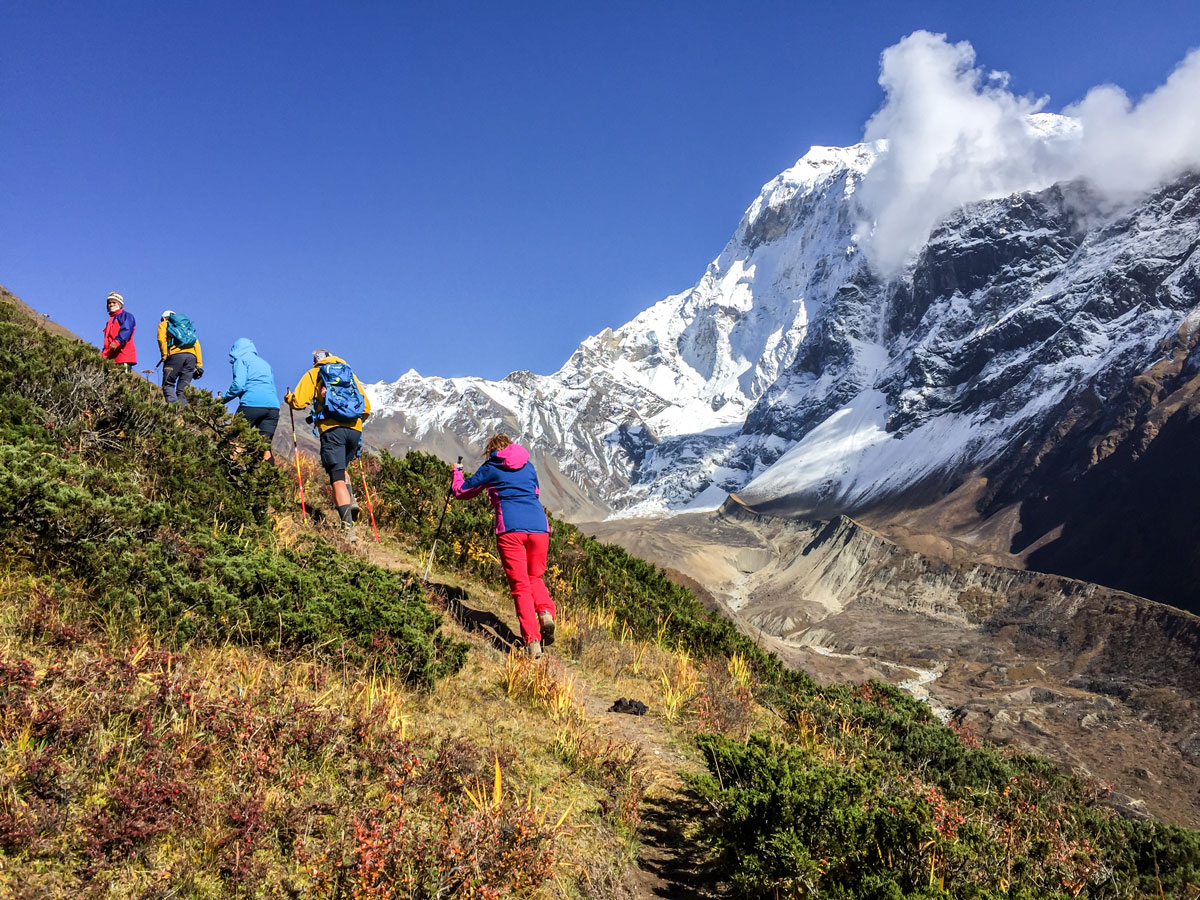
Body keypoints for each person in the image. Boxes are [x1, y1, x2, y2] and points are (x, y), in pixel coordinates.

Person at [451, 434, 555, 657]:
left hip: (510, 528)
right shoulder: (528, 466)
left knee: (520, 587)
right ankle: (546, 613)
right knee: (534, 576)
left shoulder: (492, 466)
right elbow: (536, 492)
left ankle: (532, 642)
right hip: (539, 526)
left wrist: (456, 473)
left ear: (492, 450)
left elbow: (463, 492)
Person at [285, 349, 371, 541]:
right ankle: (352, 501)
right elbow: (366, 407)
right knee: (343, 468)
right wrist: (354, 423)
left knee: (336, 476)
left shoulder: (315, 373)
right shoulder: (348, 373)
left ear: (316, 360)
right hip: (354, 429)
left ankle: (348, 530)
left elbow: (299, 402)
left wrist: (289, 399)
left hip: (332, 430)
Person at [220, 338, 279, 462]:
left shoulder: (241, 360)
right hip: (273, 407)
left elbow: (238, 385)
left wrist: (221, 401)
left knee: (235, 439)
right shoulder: (265, 364)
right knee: (264, 447)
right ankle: (268, 477)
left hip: (252, 404)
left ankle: (233, 473)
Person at [157, 309, 203, 405]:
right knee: (182, 391)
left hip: (175, 356)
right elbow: (197, 344)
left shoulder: (165, 324)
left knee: (168, 384)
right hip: (191, 358)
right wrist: (199, 366)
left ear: (164, 318)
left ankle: (174, 411)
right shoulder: (187, 328)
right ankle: (185, 415)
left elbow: (161, 339)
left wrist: (165, 355)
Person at [100, 292, 137, 371]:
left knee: (124, 381)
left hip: (123, 355)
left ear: (119, 304)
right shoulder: (110, 320)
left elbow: (127, 329)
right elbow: (108, 340)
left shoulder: (126, 316)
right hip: (111, 357)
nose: (111, 304)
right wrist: (104, 354)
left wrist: (117, 342)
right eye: (109, 303)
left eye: (114, 302)